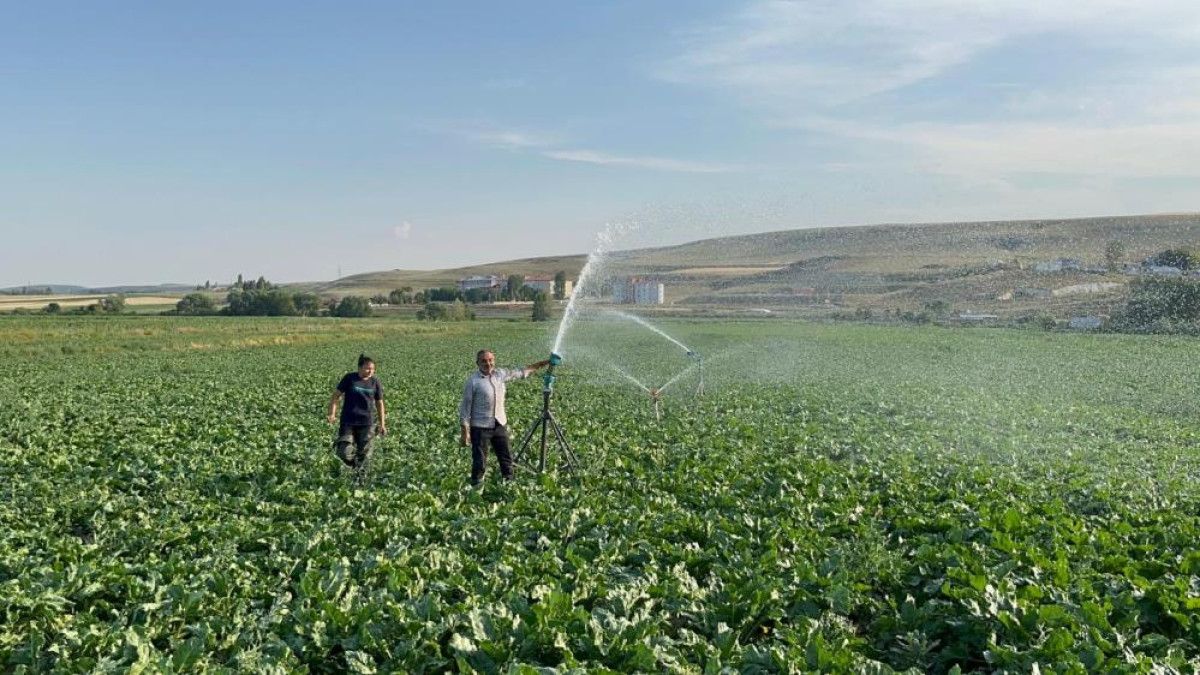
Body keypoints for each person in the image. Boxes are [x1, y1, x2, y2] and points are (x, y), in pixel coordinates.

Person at [459, 350, 550, 485]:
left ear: (494, 361)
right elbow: (465, 409)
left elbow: (522, 372)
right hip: (480, 427)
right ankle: (476, 488)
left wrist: (544, 363)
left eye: (490, 360)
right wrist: (465, 433)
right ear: (477, 363)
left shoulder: (500, 375)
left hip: (499, 424)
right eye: (483, 361)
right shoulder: (473, 382)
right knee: (480, 460)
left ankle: (509, 484)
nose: (487, 363)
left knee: (506, 458)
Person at [327, 354, 387, 471]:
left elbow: (380, 404)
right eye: (367, 368)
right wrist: (332, 414)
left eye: (373, 369)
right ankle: (352, 466)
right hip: (348, 421)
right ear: (359, 368)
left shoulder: (375, 382)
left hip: (367, 423)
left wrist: (382, 424)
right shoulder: (350, 378)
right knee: (344, 452)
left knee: (364, 456)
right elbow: (335, 397)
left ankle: (360, 480)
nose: (370, 371)